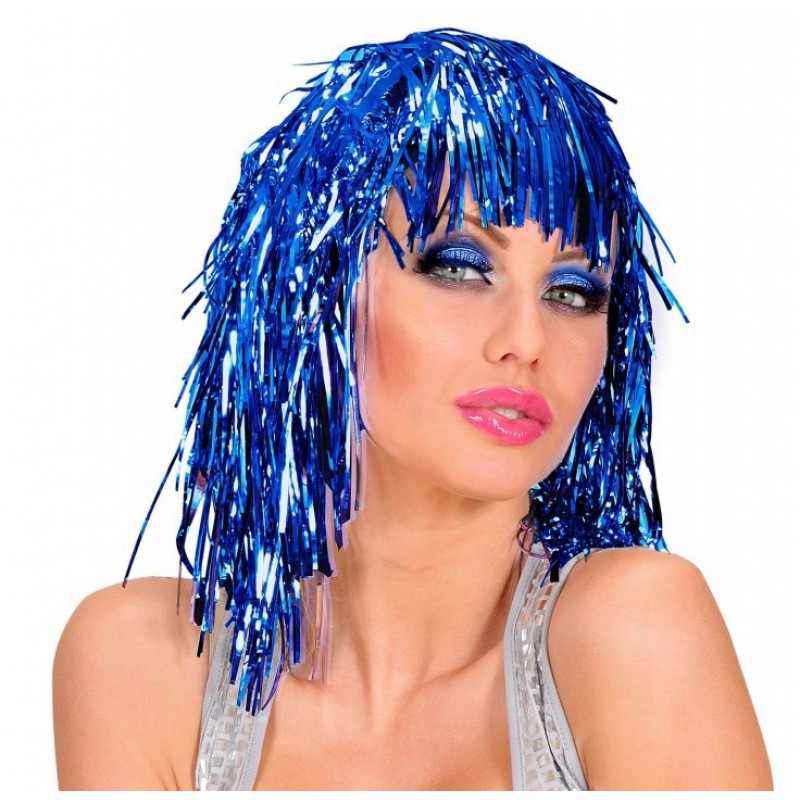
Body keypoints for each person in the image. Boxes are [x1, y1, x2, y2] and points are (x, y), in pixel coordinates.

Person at [52, 29, 772, 790]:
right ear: (318, 290)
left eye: (571, 291)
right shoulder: (144, 666)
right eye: (459, 267)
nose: (527, 341)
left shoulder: (637, 628)